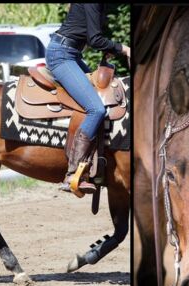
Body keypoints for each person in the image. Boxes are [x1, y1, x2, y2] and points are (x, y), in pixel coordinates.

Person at [45, 4, 130, 195]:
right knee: (96, 109)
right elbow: (95, 39)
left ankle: (96, 163)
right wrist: (123, 48)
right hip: (62, 55)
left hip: (72, 54)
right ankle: (73, 173)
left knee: (100, 96)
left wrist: (107, 47)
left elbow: (89, 34)